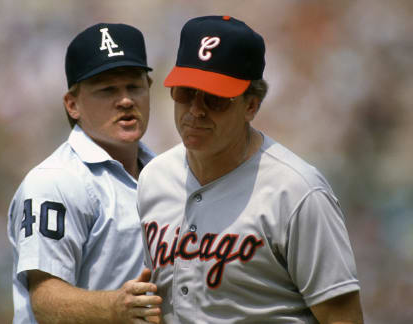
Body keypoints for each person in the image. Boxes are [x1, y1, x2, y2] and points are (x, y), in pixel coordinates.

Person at [137, 15, 364, 323]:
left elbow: (343, 319)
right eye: (185, 92)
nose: (196, 110)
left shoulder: (297, 192)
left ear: (251, 106)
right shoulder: (153, 178)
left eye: (215, 99)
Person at [7, 22, 162, 324]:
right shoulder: (55, 181)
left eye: (134, 86)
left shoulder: (167, 174)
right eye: (107, 90)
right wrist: (115, 307)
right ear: (72, 104)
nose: (126, 100)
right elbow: (46, 300)